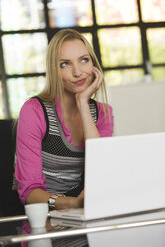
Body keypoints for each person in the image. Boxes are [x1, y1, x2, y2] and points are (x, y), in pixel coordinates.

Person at [15, 28, 114, 213]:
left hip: (85, 214)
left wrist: (83, 103)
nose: (78, 72)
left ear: (93, 63)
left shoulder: (103, 113)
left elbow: (101, 173)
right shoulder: (34, 111)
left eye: (84, 60)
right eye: (65, 64)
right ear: (54, 70)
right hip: (44, 218)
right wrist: (72, 203)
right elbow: (29, 193)